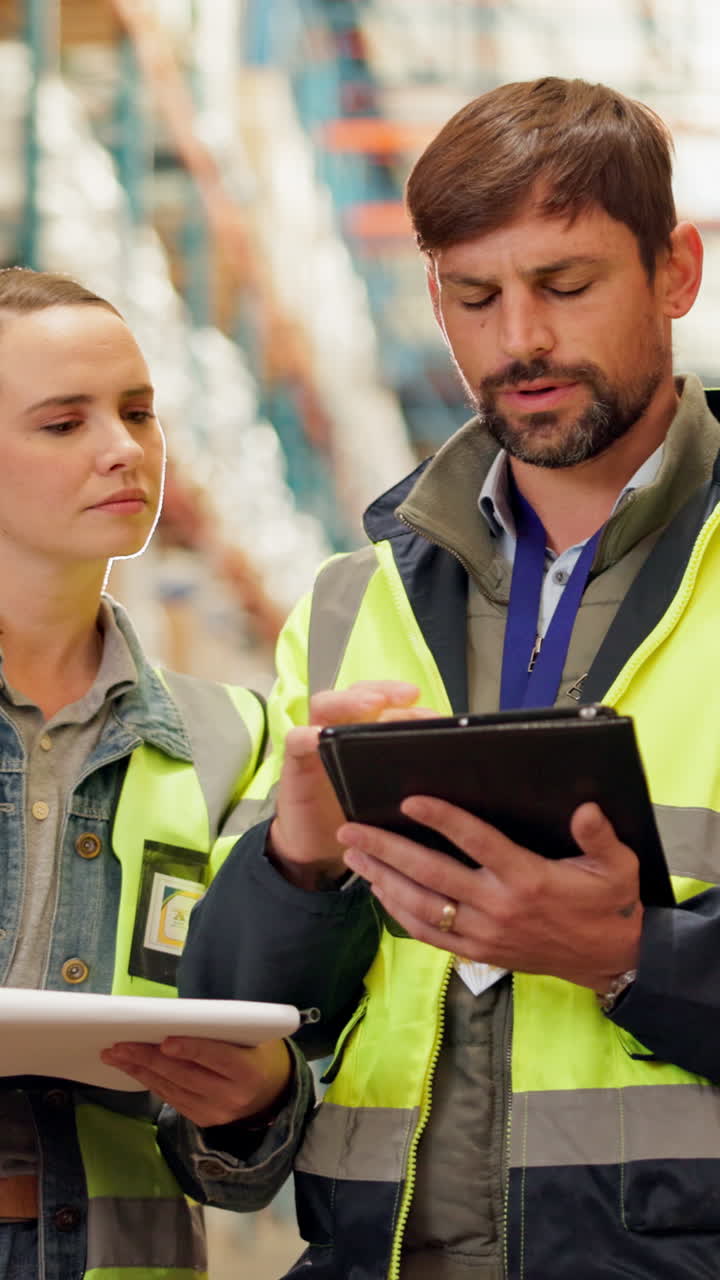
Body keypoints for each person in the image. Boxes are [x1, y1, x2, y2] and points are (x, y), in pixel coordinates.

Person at [180, 77, 720, 1280]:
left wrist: (633, 951)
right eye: (474, 297)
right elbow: (230, 1042)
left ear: (675, 271)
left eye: (565, 287)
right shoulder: (344, 603)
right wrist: (296, 868)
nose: (519, 338)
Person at [0, 267, 313, 1280]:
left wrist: (259, 1098)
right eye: (63, 422)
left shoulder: (239, 740)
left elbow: (247, 1157)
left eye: (138, 411)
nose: (123, 448)